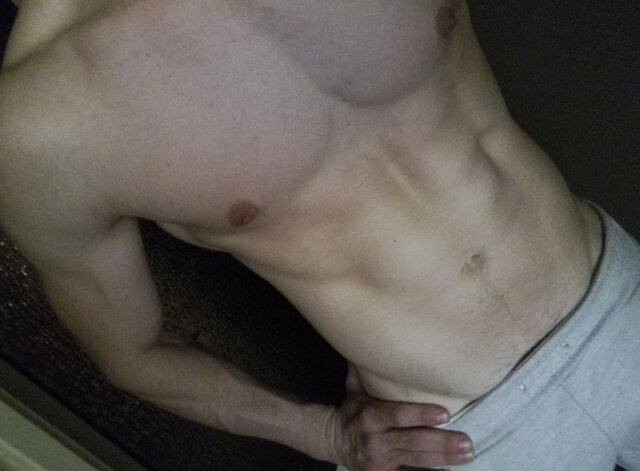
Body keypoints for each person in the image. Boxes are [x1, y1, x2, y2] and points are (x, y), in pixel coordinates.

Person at [0, 1, 638, 470]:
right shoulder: (38, 125)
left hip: (621, 301)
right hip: (460, 437)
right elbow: (131, 354)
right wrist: (323, 434)